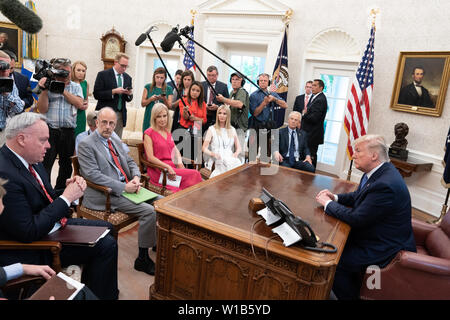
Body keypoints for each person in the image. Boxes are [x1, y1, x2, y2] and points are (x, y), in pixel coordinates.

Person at [0, 112, 118, 300]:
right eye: (43, 140)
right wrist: (65, 199)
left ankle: (94, 288)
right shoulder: (4, 174)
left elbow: (44, 197)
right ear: (21, 139)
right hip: (33, 246)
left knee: (108, 228)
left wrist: (67, 191)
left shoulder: (32, 158)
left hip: (50, 227)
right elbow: (28, 231)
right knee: (106, 245)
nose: (49, 146)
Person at [315, 134, 416, 300]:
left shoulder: (385, 184)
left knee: (334, 262)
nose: (353, 155)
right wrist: (335, 197)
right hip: (376, 234)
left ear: (374, 155)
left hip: (384, 246)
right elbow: (359, 195)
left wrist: (328, 204)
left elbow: (357, 218)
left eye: (358, 151)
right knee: (330, 244)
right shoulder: (378, 172)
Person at [77, 107, 161, 276]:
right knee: (149, 212)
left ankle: (153, 241)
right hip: (106, 194)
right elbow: (93, 175)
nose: (108, 127)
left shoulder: (114, 140)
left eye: (112, 124)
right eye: (104, 123)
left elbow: (129, 161)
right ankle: (142, 259)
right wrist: (124, 187)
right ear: (97, 122)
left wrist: (136, 177)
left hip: (127, 187)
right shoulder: (86, 144)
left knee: (162, 202)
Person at [0, 178, 97, 300]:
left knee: (79, 292)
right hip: (40, 244)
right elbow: (29, 230)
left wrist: (21, 268)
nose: (4, 208)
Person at [35, 58, 85, 191]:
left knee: (66, 166)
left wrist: (62, 89)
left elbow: (80, 104)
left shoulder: (75, 86)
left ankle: (60, 195)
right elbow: (42, 109)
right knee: (46, 165)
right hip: (50, 131)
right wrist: (45, 90)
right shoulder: (49, 85)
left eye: (68, 72)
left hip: (68, 132)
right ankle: (45, 194)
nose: (66, 75)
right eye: (62, 72)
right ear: (55, 72)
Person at [144, 103, 202, 192]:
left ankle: (193, 201)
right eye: (159, 116)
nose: (162, 119)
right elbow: (150, 158)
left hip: (172, 168)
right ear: (154, 117)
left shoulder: (167, 131)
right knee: (195, 174)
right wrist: (167, 167)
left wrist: (179, 162)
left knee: (192, 179)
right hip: (159, 170)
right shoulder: (149, 133)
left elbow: (175, 149)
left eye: (164, 116)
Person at [93, 52, 133, 137]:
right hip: (105, 113)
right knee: (102, 140)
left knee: (117, 143)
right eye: (122, 65)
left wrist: (129, 94)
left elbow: (128, 99)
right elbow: (96, 94)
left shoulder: (128, 78)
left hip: (120, 115)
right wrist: (113, 91)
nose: (124, 68)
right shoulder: (103, 75)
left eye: (126, 66)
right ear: (115, 62)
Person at [202, 105, 243, 178]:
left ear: (228, 116)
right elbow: (204, 148)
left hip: (230, 157)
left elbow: (239, 148)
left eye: (224, 114)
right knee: (225, 167)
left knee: (237, 165)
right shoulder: (211, 129)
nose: (222, 115)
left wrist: (236, 154)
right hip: (217, 157)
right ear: (217, 115)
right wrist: (213, 154)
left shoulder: (232, 129)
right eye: (219, 113)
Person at [301, 79, 327, 168]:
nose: (312, 87)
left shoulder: (321, 99)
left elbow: (314, 118)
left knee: (311, 155)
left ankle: (310, 176)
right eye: (312, 85)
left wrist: (304, 114)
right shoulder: (314, 96)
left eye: (315, 85)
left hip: (313, 134)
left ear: (321, 88)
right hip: (308, 132)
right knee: (306, 154)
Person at [0, 50, 24, 146]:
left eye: (7, 68)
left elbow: (18, 108)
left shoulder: (10, 84)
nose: (5, 71)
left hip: (4, 132)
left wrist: (7, 94)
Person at [179, 81, 207, 163]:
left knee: (193, 156)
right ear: (190, 90)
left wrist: (195, 118)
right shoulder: (183, 101)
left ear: (200, 93)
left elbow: (204, 120)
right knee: (183, 155)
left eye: (197, 91)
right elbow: (185, 117)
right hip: (184, 129)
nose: (195, 92)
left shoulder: (203, 104)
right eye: (193, 90)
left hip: (197, 130)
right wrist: (185, 112)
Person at [141, 67, 173, 132]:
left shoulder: (169, 88)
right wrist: (151, 99)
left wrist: (164, 99)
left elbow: (169, 106)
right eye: (157, 77)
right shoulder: (148, 87)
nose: (159, 80)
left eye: (161, 78)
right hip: (149, 117)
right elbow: (143, 104)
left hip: (162, 119)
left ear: (165, 78)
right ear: (154, 77)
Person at [71, 60, 89, 138]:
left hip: (81, 115)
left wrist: (86, 105)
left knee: (80, 140)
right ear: (73, 70)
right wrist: (78, 104)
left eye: (83, 71)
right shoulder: (69, 83)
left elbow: (86, 99)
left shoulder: (85, 83)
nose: (81, 72)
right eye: (78, 70)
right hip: (71, 115)